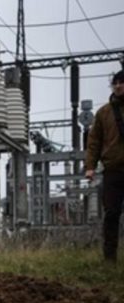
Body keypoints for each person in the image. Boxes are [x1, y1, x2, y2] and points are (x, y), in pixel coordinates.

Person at [85, 69, 124, 263]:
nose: (118, 86)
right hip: (113, 170)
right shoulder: (104, 113)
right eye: (115, 83)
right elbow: (94, 142)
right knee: (111, 213)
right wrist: (90, 166)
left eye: (121, 82)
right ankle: (110, 258)